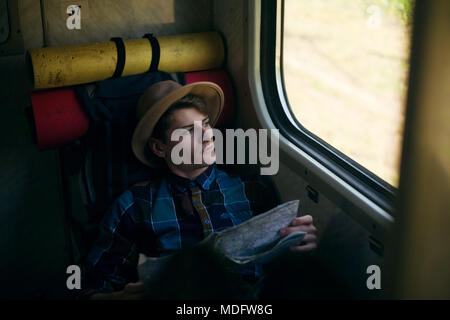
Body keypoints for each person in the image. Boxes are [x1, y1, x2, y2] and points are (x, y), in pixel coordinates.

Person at [79, 80, 317, 300]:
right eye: (189, 131)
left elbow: (278, 268)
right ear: (160, 148)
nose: (207, 136)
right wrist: (117, 298)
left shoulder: (252, 189)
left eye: (205, 124)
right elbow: (87, 285)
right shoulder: (135, 205)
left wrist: (297, 243)